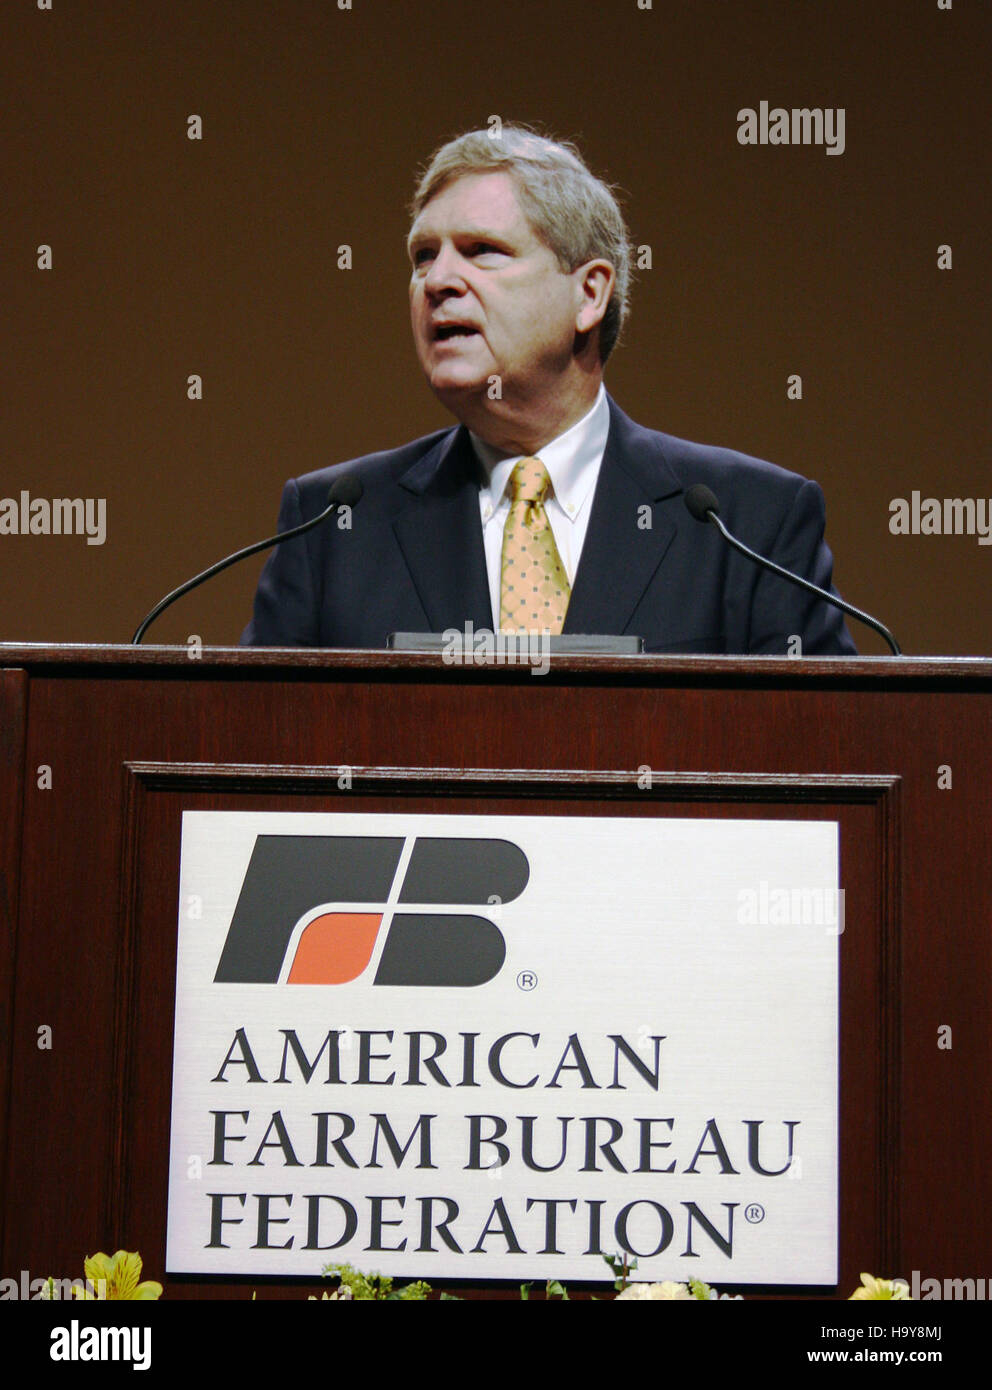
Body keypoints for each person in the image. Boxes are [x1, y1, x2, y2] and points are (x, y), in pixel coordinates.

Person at [242, 126, 855, 654]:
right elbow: (247, 765)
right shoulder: (333, 526)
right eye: (423, 256)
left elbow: (830, 761)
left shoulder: (748, 525)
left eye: (482, 251)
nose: (438, 281)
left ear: (589, 294)